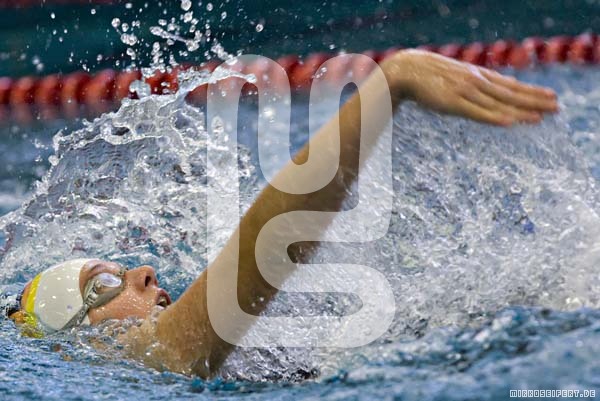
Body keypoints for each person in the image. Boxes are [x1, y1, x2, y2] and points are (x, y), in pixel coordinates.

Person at [1, 49, 558, 377]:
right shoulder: (148, 358)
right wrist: (391, 85)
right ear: (83, 341)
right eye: (104, 286)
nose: (144, 272)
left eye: (121, 271)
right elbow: (272, 239)